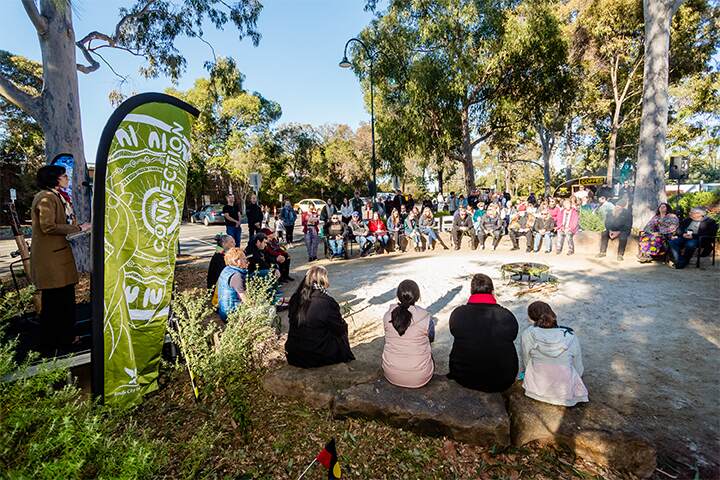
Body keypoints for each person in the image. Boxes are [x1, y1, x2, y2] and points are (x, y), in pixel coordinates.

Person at [30, 165, 91, 354]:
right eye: (64, 176)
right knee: (55, 304)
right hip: (51, 260)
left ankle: (65, 338)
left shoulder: (56, 196)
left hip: (58, 257)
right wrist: (79, 228)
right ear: (54, 179)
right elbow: (48, 226)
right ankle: (53, 344)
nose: (66, 178)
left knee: (63, 300)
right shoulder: (46, 197)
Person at [447, 274, 519, 393]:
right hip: (502, 379)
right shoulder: (506, 315)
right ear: (492, 292)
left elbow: (454, 331)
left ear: (471, 291)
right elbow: (512, 336)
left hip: (463, 375)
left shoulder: (458, 313)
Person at [519, 301, 588, 407]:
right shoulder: (569, 335)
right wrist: (576, 378)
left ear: (531, 318)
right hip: (565, 393)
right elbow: (577, 363)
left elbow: (526, 359)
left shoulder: (527, 334)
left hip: (536, 390)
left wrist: (529, 374)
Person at [285, 266, 355, 368]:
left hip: (294, 354)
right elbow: (338, 328)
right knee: (342, 328)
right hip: (315, 355)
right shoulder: (326, 301)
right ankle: (345, 357)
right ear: (324, 280)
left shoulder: (295, 298)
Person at [382, 280, 435, 388]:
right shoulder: (426, 318)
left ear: (398, 296)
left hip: (391, 373)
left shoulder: (387, 316)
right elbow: (431, 338)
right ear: (417, 296)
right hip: (419, 376)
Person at [217, 247, 249, 322]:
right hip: (231, 314)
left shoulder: (227, 269)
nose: (246, 261)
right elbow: (245, 299)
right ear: (236, 261)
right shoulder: (237, 276)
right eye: (244, 259)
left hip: (224, 310)